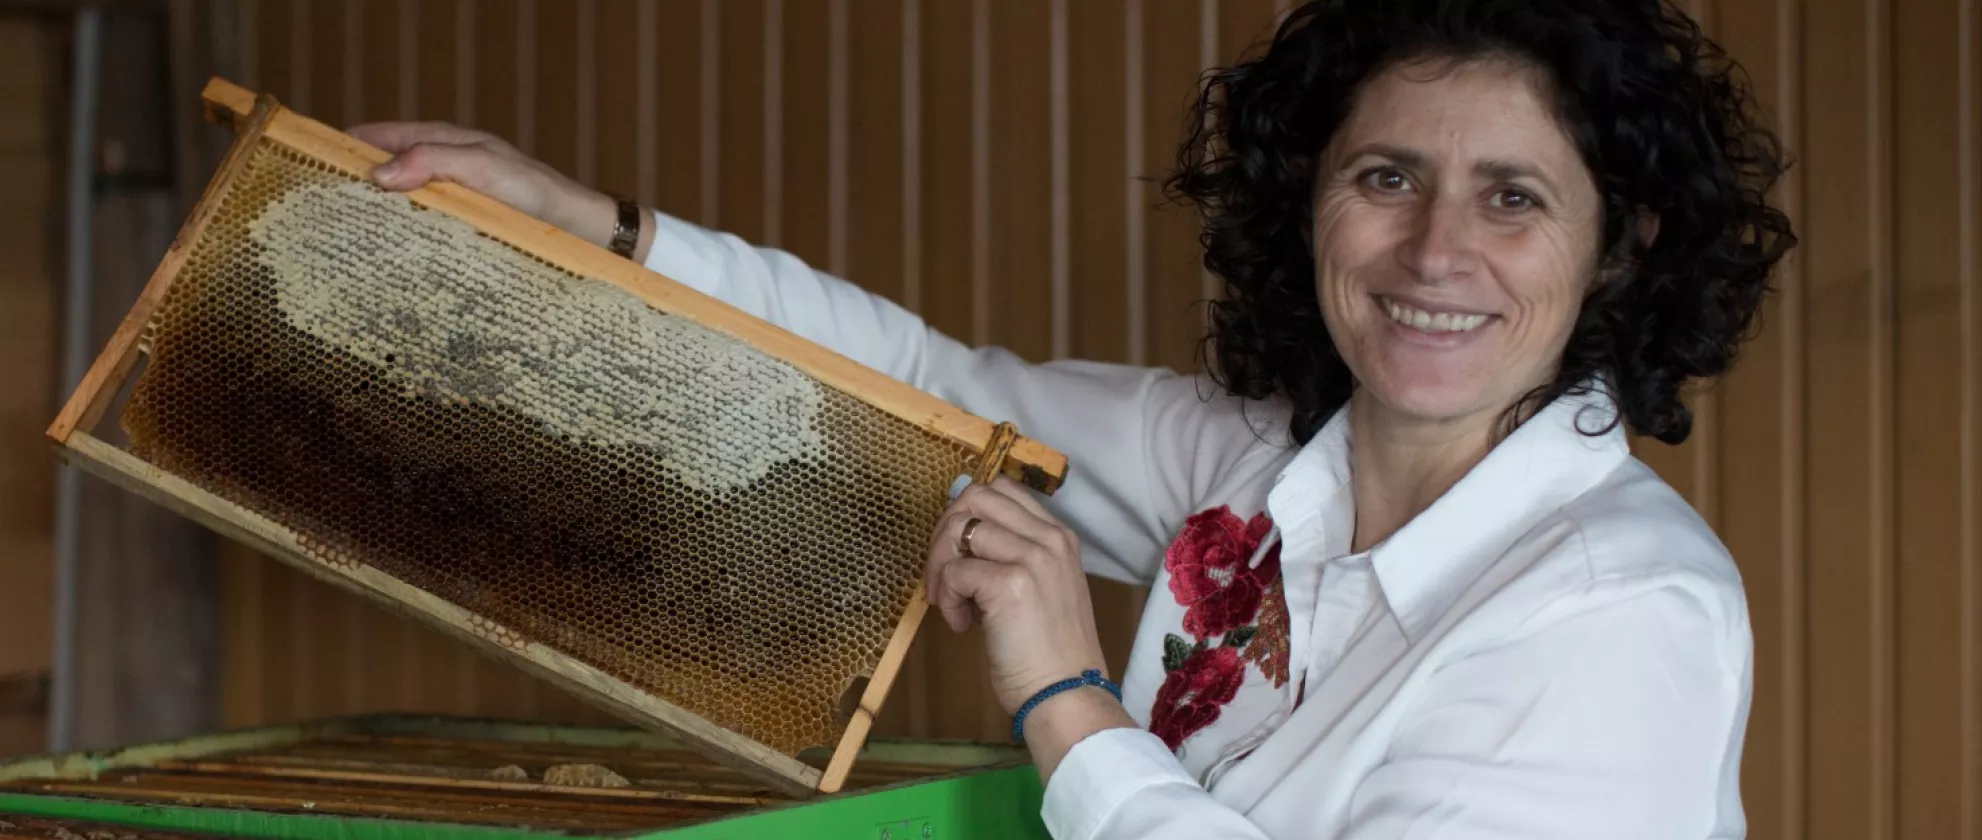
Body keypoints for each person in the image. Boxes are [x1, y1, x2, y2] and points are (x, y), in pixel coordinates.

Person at [351, 0, 1795, 836]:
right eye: (1387, 178)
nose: (1433, 254)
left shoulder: (1626, 611)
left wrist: (1065, 699)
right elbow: (934, 394)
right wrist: (601, 230)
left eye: (1515, 198)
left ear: (1624, 246)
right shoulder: (1247, 455)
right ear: (1306, 201)